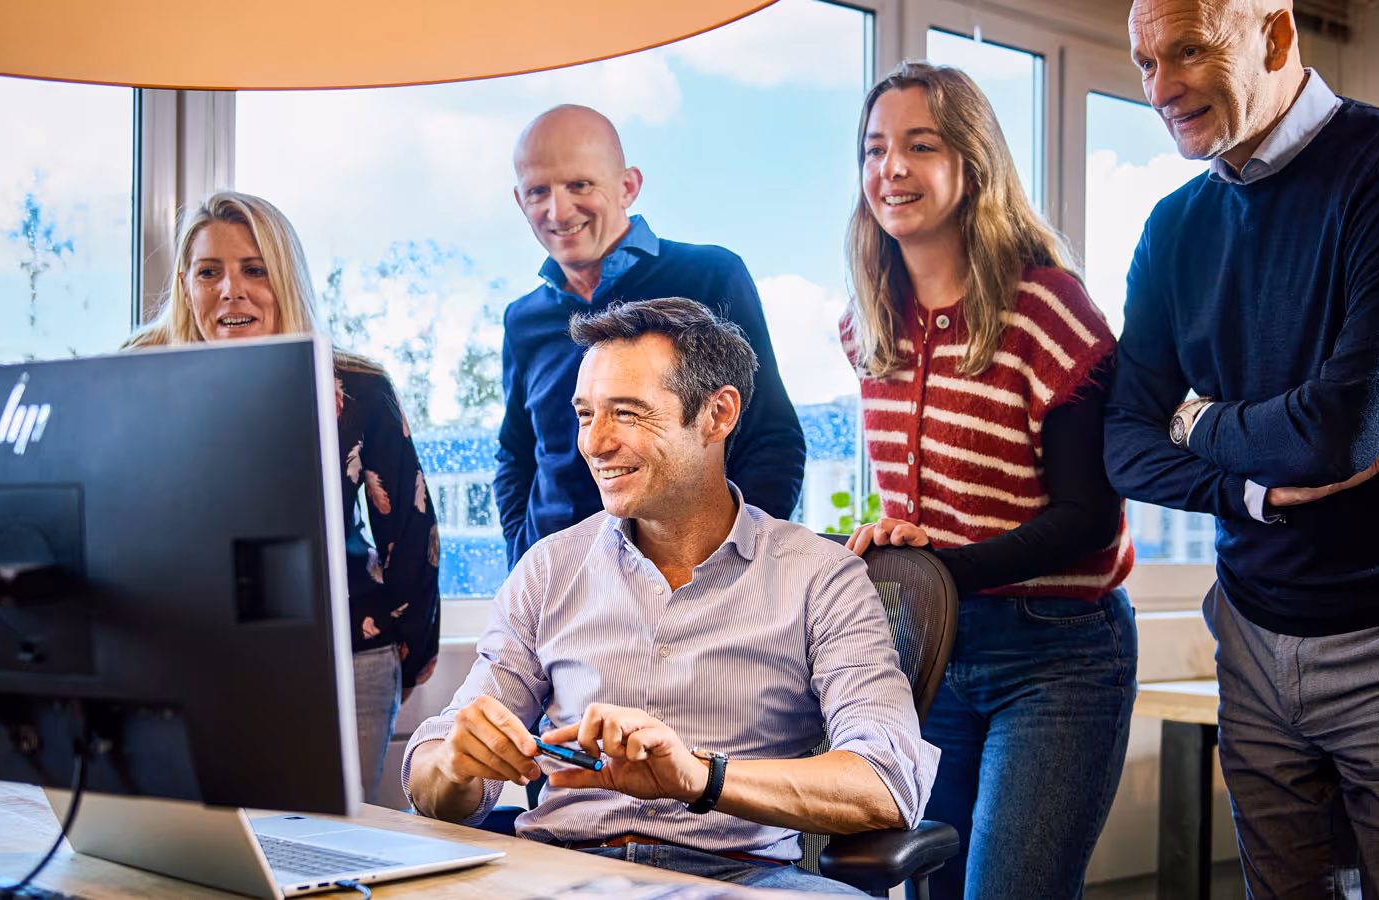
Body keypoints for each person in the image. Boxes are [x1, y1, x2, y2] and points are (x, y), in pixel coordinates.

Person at [1106, 0, 1379, 895]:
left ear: (1277, 35)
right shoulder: (1175, 229)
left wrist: (1197, 421)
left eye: (1190, 51)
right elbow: (1125, 442)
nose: (1160, 89)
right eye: (1143, 62)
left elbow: (1338, 431)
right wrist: (1256, 492)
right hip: (1252, 636)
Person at [403, 298, 936, 894]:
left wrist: (701, 778)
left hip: (743, 878)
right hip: (563, 872)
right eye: (585, 414)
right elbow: (434, 778)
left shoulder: (821, 577)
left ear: (717, 414)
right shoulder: (548, 570)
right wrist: (455, 765)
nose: (595, 444)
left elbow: (887, 784)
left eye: (627, 414)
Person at [838, 61, 1136, 900]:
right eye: (874, 149)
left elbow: (1088, 519)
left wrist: (938, 568)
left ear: (972, 165)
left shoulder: (1048, 308)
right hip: (933, 646)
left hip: (1060, 651)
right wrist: (896, 544)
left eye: (919, 146)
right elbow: (922, 509)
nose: (890, 169)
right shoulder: (866, 325)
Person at [125, 191, 442, 803]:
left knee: (320, 859)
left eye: (254, 269)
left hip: (344, 661)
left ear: (286, 277)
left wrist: (411, 654)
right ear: (187, 285)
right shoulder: (139, 376)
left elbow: (411, 533)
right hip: (182, 663)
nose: (231, 291)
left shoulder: (358, 388)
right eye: (209, 271)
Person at [495, 104, 806, 567]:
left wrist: (733, 569)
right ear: (520, 201)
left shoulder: (710, 276)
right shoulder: (522, 319)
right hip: (559, 591)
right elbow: (516, 454)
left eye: (580, 184)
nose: (558, 210)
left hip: (688, 581)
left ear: (628, 187)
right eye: (538, 191)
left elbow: (772, 438)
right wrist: (523, 555)